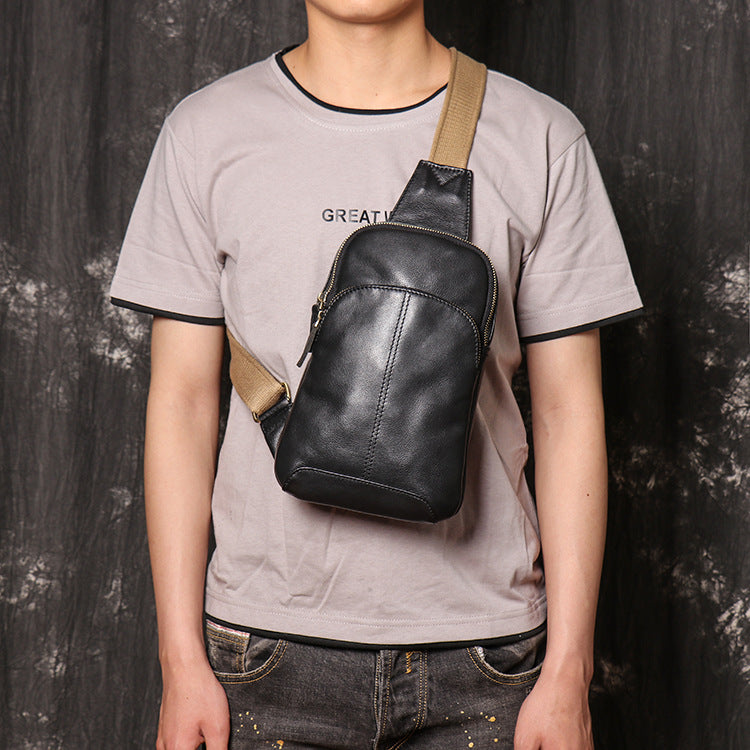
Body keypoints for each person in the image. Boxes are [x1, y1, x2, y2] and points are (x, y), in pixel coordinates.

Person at [110, 1, 642, 748]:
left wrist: (569, 672)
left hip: (486, 660)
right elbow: (182, 403)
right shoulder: (205, 132)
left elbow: (569, 413)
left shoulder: (542, 136)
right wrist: (180, 662)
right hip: (261, 652)